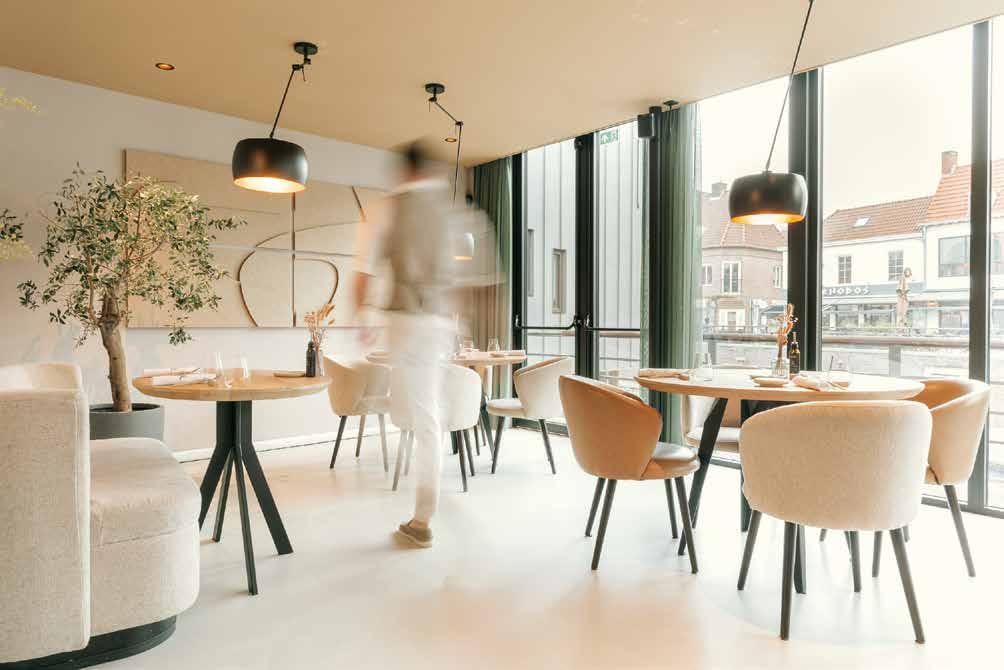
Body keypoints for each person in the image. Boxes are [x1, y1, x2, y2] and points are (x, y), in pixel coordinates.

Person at [353, 141, 455, 548]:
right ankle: (424, 514)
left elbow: (364, 272)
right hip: (439, 321)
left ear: (405, 170)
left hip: (405, 321)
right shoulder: (448, 213)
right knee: (429, 417)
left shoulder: (386, 209)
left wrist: (364, 316)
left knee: (418, 414)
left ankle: (422, 521)